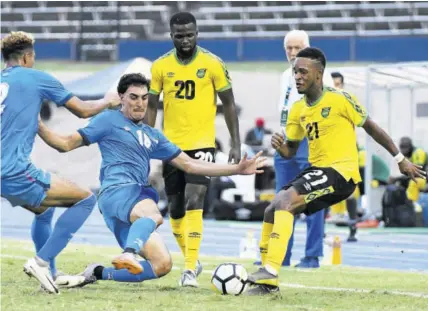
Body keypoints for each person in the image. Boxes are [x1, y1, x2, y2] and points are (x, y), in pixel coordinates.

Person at [37, 73, 264, 288]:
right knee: (154, 215)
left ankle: (97, 272)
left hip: (132, 204)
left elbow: (190, 164)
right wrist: (37, 124)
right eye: (133, 97)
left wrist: (236, 169)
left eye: (145, 98)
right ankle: (129, 252)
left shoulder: (152, 135)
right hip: (117, 192)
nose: (140, 103)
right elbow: (65, 143)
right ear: (122, 99)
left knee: (162, 265)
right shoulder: (108, 119)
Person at [246, 47, 426, 295]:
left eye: (303, 72)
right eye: (294, 72)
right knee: (271, 208)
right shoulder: (298, 109)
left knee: (285, 201)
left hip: (342, 174)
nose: (297, 76)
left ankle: (270, 272)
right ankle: (266, 279)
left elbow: (372, 128)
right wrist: (280, 146)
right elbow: (290, 150)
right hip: (318, 171)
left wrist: (400, 158)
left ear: (319, 75)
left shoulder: (341, 99)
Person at [0, 31, 120, 294]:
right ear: (27, 57)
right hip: (12, 171)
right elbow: (83, 110)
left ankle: (51, 275)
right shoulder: (37, 77)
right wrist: (109, 102)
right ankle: (41, 263)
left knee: (45, 210)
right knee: (85, 199)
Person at [146, 12, 241, 287]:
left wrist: (234, 142)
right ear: (171, 36)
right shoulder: (160, 66)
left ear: (197, 33)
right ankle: (192, 259)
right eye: (180, 35)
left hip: (202, 144)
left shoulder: (212, 63)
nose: (186, 40)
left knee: (194, 200)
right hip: (171, 147)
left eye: (190, 35)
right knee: (174, 209)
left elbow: (230, 103)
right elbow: (152, 105)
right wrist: (148, 139)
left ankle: (188, 271)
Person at [274, 30, 334, 269]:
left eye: (297, 48)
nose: (292, 53)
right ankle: (281, 255)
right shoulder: (283, 76)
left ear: (307, 47)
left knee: (312, 199)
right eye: (288, 48)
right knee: (282, 200)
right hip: (286, 141)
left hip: (310, 143)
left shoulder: (321, 76)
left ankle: (311, 256)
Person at [389, 137, 428, 202]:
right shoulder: (409, 156)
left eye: (405, 147)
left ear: (410, 146)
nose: (403, 150)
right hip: (422, 177)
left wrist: (397, 178)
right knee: (400, 183)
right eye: (401, 147)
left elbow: (417, 172)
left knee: (413, 183)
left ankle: (412, 205)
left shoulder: (418, 152)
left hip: (425, 179)